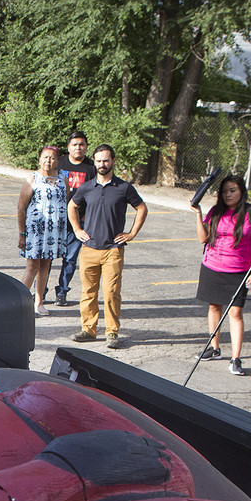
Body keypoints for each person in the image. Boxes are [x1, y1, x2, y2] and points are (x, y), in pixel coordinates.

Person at [67, 144, 147, 348]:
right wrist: (77, 229)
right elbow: (72, 206)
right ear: (94, 162)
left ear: (113, 161)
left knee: (111, 293)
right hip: (89, 249)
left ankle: (112, 332)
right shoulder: (86, 187)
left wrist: (132, 233)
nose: (102, 164)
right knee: (88, 292)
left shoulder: (124, 187)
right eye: (99, 160)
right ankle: (88, 329)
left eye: (106, 160)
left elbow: (141, 208)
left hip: (113, 250)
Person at [190, 174, 251, 375]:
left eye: (232, 190)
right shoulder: (216, 212)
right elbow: (203, 238)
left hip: (239, 270)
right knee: (214, 307)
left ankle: (236, 358)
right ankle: (214, 348)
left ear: (241, 191)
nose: (228, 195)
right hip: (212, 267)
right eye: (224, 191)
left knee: (236, 313)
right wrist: (198, 214)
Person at [15, 145, 67, 317]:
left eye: (52, 158)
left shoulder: (62, 178)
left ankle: (39, 302)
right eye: (45, 157)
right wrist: (22, 233)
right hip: (35, 231)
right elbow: (21, 208)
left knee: (45, 266)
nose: (48, 161)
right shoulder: (33, 178)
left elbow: (68, 202)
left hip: (53, 232)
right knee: (32, 266)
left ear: (57, 161)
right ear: (39, 159)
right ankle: (18, 302)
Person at [53, 131, 96, 308]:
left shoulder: (92, 167)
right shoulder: (59, 162)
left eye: (81, 144)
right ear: (68, 146)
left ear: (86, 147)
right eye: (74, 144)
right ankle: (40, 291)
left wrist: (87, 215)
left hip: (79, 222)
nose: (78, 147)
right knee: (47, 258)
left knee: (70, 259)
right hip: (57, 220)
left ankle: (62, 291)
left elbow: (95, 193)